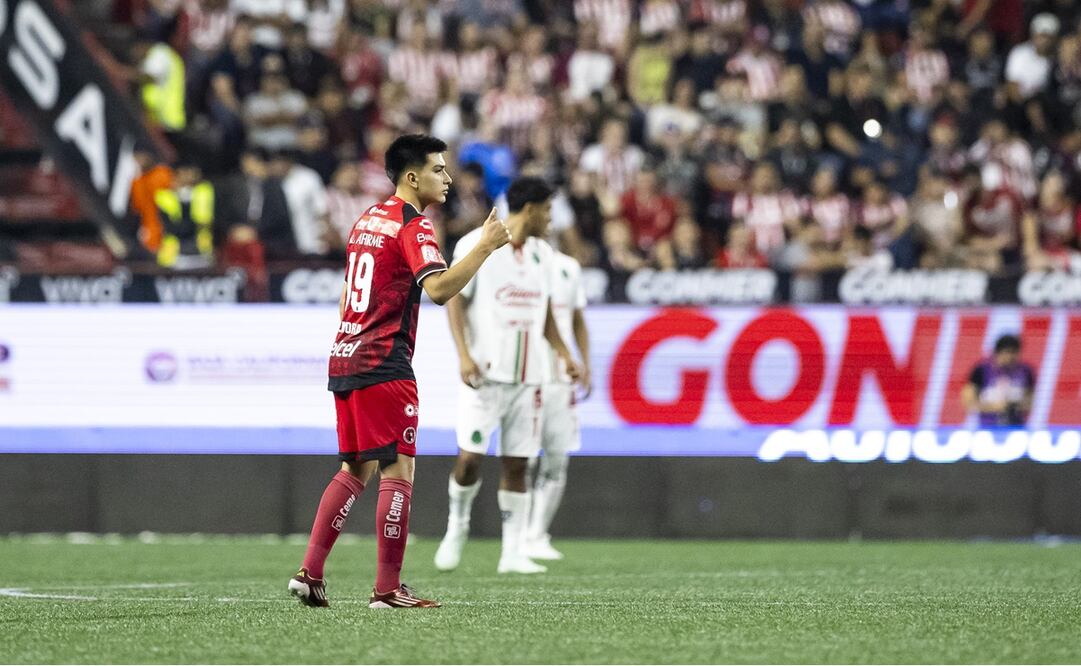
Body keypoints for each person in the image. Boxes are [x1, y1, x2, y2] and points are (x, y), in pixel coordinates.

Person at [288, 134, 513, 609]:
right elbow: (439, 289)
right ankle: (387, 589)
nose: (447, 178)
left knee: (355, 466)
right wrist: (486, 246)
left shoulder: (367, 219)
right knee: (399, 466)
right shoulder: (414, 225)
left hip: (346, 353)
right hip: (383, 361)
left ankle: (310, 573)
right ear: (413, 177)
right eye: (438, 169)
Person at [434, 176, 581, 575]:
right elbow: (454, 303)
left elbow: (546, 312)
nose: (550, 219)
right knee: (470, 460)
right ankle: (457, 526)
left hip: (530, 377)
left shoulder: (544, 256)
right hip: (485, 376)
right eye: (547, 210)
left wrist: (565, 354)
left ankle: (512, 551)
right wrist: (463, 355)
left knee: (518, 464)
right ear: (530, 209)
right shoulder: (475, 244)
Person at [523, 248, 591, 561]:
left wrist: (585, 363)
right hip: (526, 375)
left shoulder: (568, 266)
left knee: (556, 458)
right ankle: (519, 535)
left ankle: (538, 534)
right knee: (522, 458)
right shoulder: (512, 262)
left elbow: (577, 319)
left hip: (560, 380)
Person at [961, 334, 1036, 428]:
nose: (1011, 358)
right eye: (1008, 353)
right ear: (997, 353)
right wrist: (993, 407)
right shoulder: (981, 370)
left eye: (1015, 353)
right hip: (988, 428)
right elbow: (968, 402)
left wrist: (1015, 406)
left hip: (1017, 427)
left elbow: (1030, 401)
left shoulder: (1026, 371)